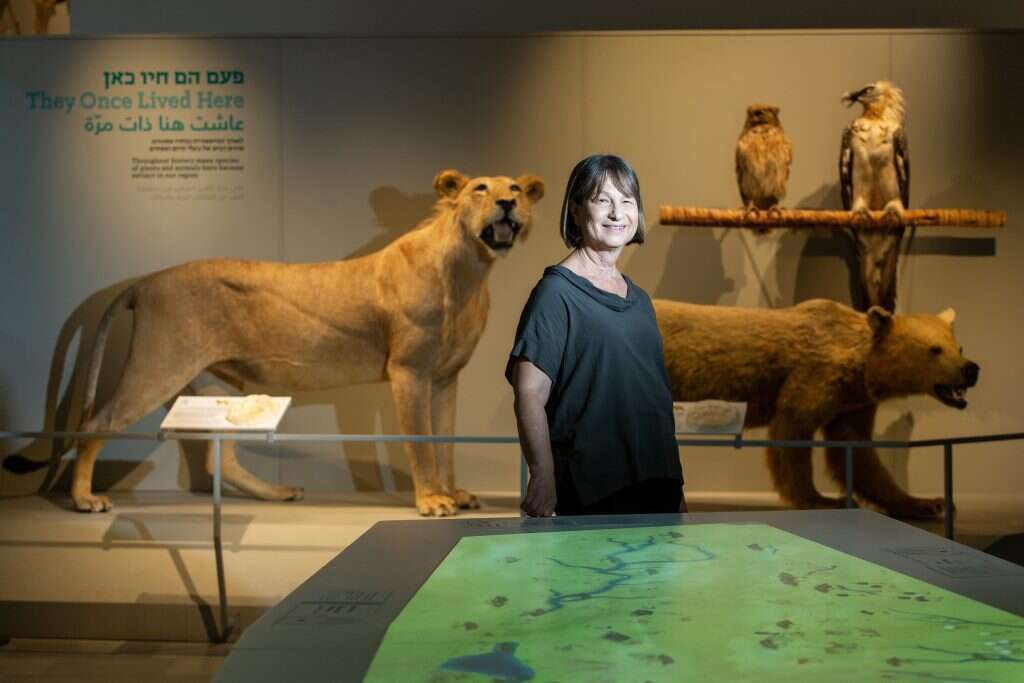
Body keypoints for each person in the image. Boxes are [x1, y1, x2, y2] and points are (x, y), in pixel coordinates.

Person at [505, 154, 686, 517]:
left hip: (657, 487)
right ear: (575, 210)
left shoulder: (640, 301)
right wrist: (542, 475)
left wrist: (676, 488)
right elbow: (530, 393)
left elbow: (655, 404)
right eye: (602, 200)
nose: (617, 214)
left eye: (627, 201)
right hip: (595, 491)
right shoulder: (556, 293)